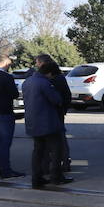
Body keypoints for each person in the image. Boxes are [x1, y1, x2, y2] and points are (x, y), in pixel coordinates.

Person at [20, 55, 63, 190]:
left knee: (37, 152)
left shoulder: (27, 82)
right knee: (56, 150)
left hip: (33, 123)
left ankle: (36, 179)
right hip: (48, 123)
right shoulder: (45, 83)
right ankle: (56, 177)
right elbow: (56, 100)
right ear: (49, 73)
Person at [40, 55, 74, 184]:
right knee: (56, 141)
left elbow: (62, 97)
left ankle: (62, 165)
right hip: (54, 114)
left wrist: (61, 109)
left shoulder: (55, 79)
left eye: (38, 63)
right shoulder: (51, 78)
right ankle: (58, 165)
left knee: (58, 142)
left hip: (55, 114)